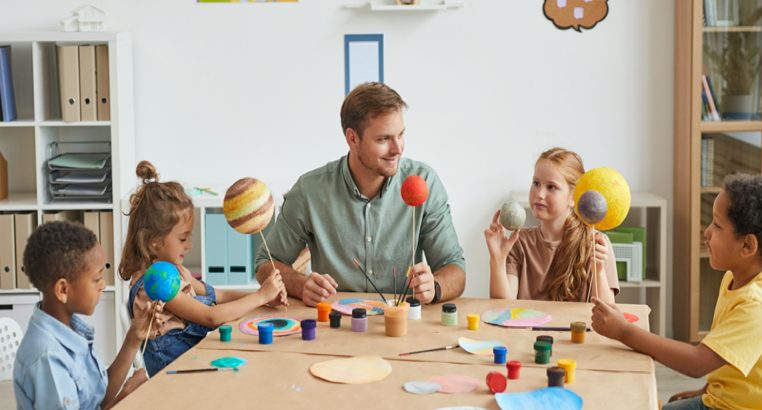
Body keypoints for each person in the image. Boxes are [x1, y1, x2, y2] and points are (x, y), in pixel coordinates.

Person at [592, 174, 762, 410]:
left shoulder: (759, 306)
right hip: (730, 399)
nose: (707, 231)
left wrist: (624, 331)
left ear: (748, 246)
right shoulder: (737, 278)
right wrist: (706, 390)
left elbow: (697, 363)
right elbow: (728, 355)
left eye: (717, 225)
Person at [255, 82, 466, 307]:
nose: (398, 149)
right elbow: (265, 263)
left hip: (402, 322)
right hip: (335, 326)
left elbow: (455, 268)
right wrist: (301, 284)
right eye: (383, 139)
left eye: (401, 135)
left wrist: (434, 286)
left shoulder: (425, 183)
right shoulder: (310, 191)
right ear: (352, 138)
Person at [119, 161, 286, 375]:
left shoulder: (176, 270)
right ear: (154, 241)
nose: (189, 245)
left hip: (193, 360)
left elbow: (217, 294)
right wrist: (260, 297)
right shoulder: (156, 284)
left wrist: (262, 296)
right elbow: (210, 316)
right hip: (177, 376)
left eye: (190, 236)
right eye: (183, 238)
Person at [14, 221, 164, 409]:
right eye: (97, 279)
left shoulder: (69, 328)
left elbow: (97, 399)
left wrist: (133, 339)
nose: (102, 285)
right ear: (63, 290)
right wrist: (126, 398)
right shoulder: (48, 359)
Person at [484, 147, 618, 303]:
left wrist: (599, 270)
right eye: (536, 183)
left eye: (551, 187)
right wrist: (497, 259)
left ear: (574, 196)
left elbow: (607, 313)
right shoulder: (519, 242)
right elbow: (502, 306)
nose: (539, 194)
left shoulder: (596, 243)